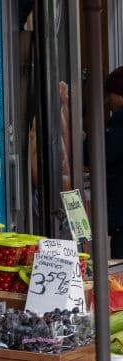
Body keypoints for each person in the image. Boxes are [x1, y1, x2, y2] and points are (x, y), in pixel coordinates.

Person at [104, 66, 123, 257]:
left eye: (111, 93)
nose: (108, 100)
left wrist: (83, 142)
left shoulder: (120, 119)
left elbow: (104, 154)